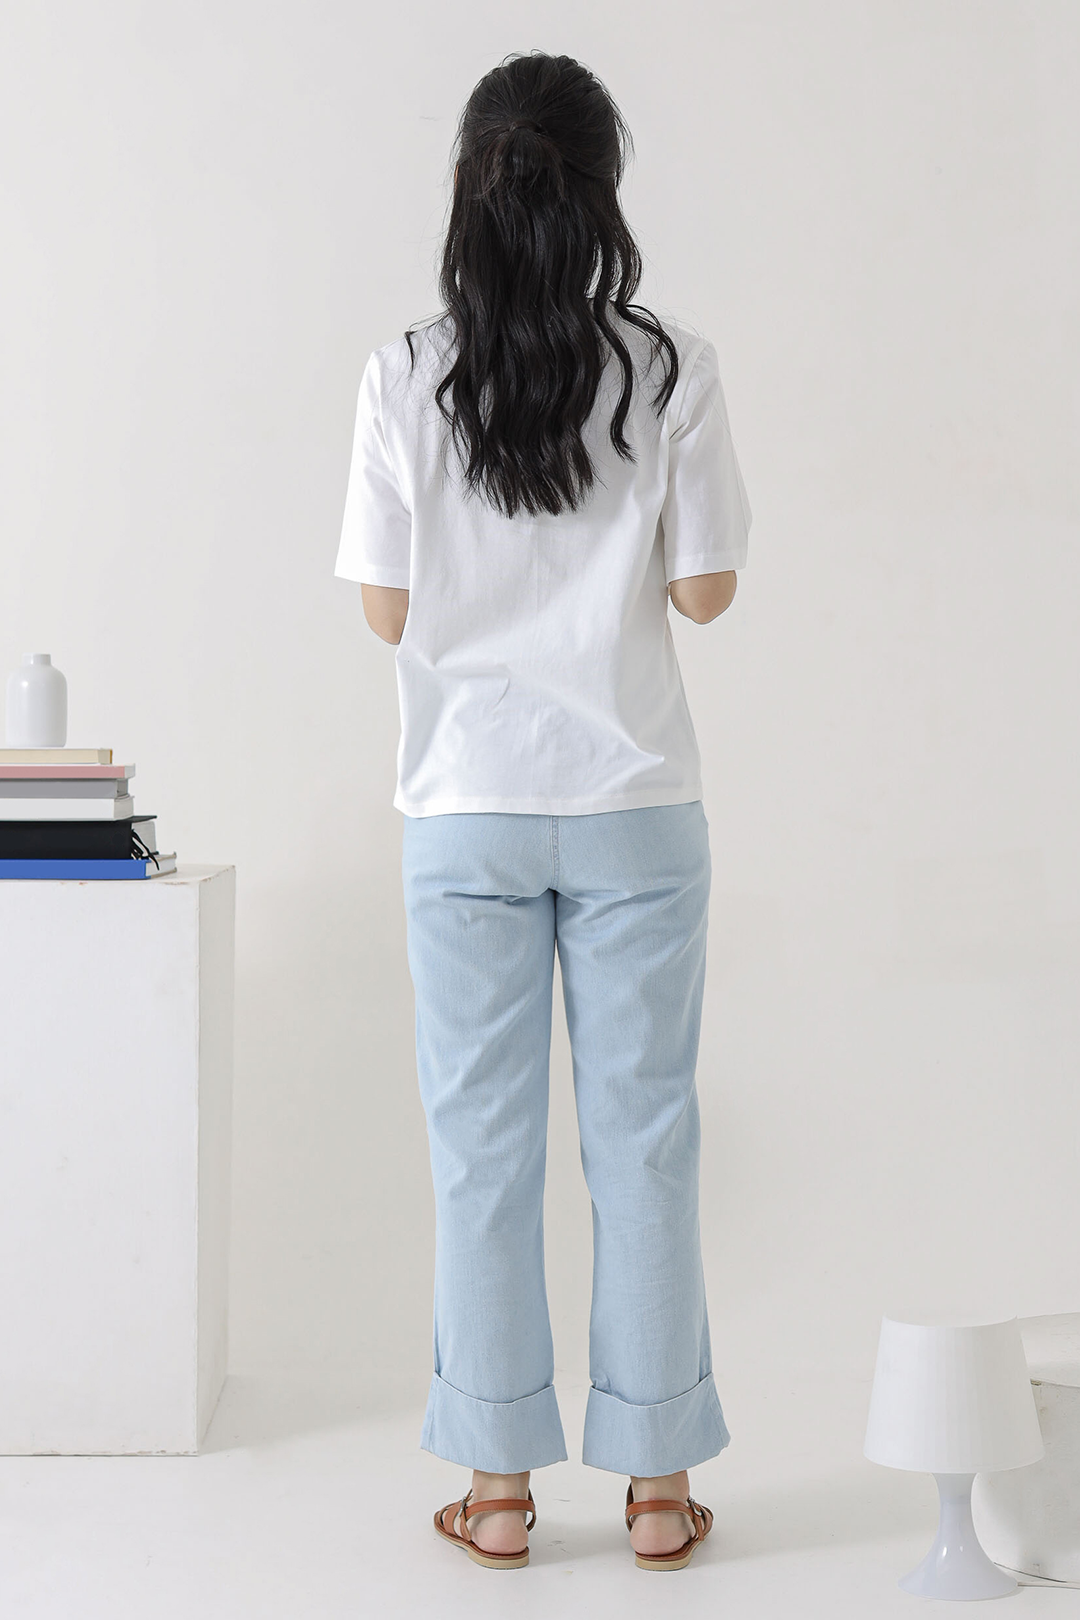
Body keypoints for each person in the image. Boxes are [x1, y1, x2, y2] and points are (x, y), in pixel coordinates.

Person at [334, 49, 752, 1572]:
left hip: (465, 809)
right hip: (635, 802)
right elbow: (704, 595)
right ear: (603, 192)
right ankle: (659, 1490)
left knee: (481, 1153)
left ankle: (500, 1491)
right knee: (646, 1142)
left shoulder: (405, 372)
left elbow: (387, 611)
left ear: (471, 187)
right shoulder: (672, 364)